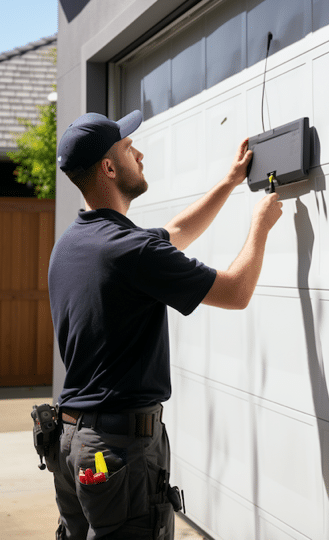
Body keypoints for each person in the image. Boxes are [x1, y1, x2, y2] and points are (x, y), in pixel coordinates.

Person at [48, 109, 283, 540]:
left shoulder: (73, 245)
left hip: (71, 447)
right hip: (114, 453)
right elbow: (236, 292)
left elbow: (174, 232)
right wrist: (259, 226)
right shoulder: (130, 250)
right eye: (127, 146)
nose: (139, 152)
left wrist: (230, 183)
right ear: (109, 166)